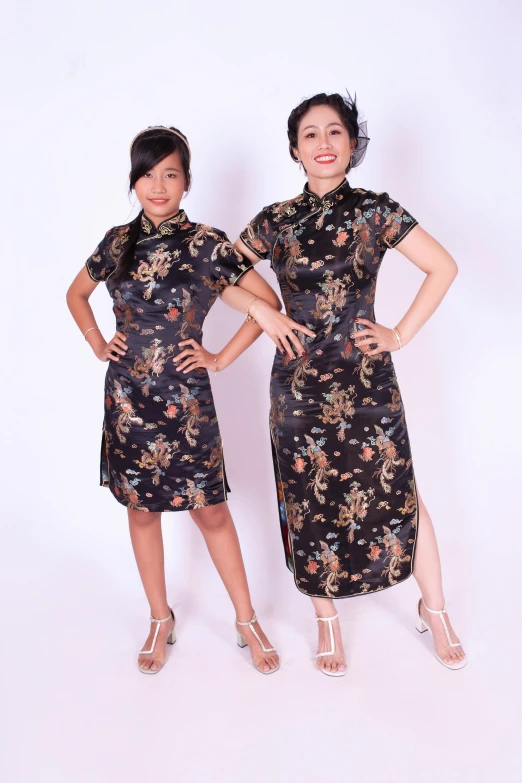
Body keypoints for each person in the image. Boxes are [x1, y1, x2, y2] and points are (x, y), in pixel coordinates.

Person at [234, 93, 467, 676]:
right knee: (308, 501)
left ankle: (434, 608)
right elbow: (216, 273)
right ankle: (327, 621)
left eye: (334, 131)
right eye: (310, 134)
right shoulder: (275, 221)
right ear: (295, 149)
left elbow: (444, 267)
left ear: (351, 143)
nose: (323, 143)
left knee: (401, 493)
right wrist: (264, 313)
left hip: (367, 381)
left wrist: (400, 333)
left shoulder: (374, 210)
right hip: (297, 386)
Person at [66, 125, 312, 675]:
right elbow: (76, 293)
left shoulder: (204, 243)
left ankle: (245, 618)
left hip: (186, 401)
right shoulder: (116, 242)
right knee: (141, 512)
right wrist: (97, 342)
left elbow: (265, 303)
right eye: (148, 174)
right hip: (127, 399)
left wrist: (220, 358)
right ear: (134, 181)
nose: (158, 186)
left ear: (187, 182)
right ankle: (160, 616)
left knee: (213, 513)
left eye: (170, 174)